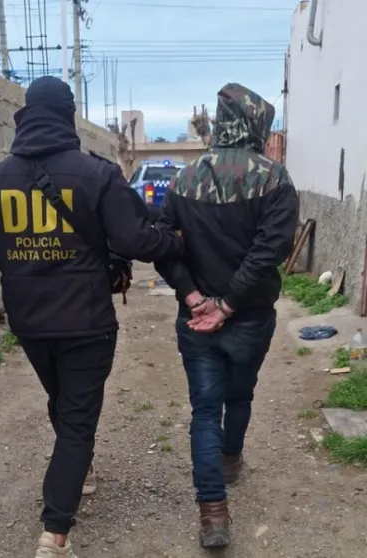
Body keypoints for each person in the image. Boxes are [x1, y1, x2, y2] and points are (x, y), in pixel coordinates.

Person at [0, 76, 182, 558]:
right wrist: (174, 242)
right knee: (76, 421)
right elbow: (135, 240)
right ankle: (54, 535)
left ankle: (81, 470)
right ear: (67, 115)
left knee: (63, 402)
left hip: (30, 324)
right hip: (87, 322)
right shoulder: (96, 174)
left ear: (26, 115)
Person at [154, 83, 298, 548]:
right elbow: (269, 251)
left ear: (219, 123)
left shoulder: (182, 180)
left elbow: (162, 246)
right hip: (249, 316)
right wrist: (229, 304)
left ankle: (213, 514)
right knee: (239, 395)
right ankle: (230, 460)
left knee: (203, 410)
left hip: (196, 318)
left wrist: (195, 297)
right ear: (256, 124)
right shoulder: (274, 179)